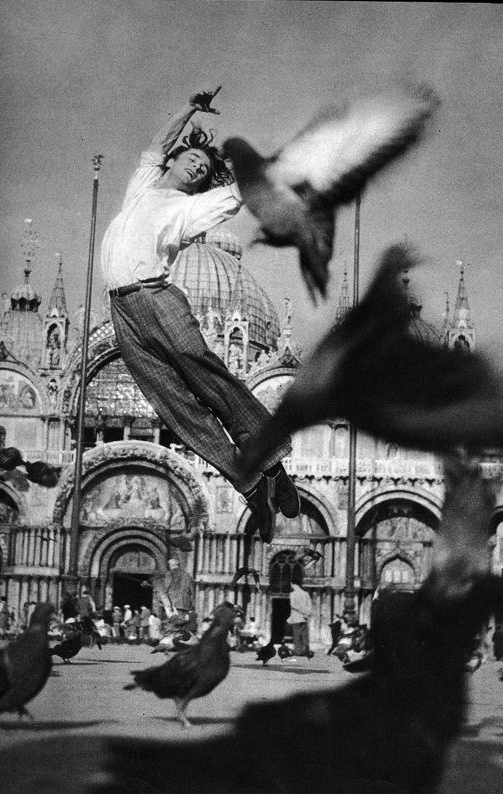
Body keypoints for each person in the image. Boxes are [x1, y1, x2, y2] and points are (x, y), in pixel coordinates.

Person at [100, 87, 299, 543]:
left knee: (207, 376)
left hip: (154, 295)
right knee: (174, 406)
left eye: (205, 170)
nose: (197, 166)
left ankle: (272, 462)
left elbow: (237, 194)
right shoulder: (142, 188)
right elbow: (156, 144)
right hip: (122, 311)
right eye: (192, 158)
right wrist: (190, 107)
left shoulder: (192, 207)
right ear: (175, 158)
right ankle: (251, 483)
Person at [287, 581, 313, 658]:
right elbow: (309, 606)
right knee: (304, 635)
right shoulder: (306, 594)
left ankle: (298, 651)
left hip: (296, 617)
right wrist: (306, 613)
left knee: (297, 635)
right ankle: (306, 650)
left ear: (293, 584)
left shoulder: (293, 594)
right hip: (304, 618)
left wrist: (301, 612)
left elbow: (293, 605)